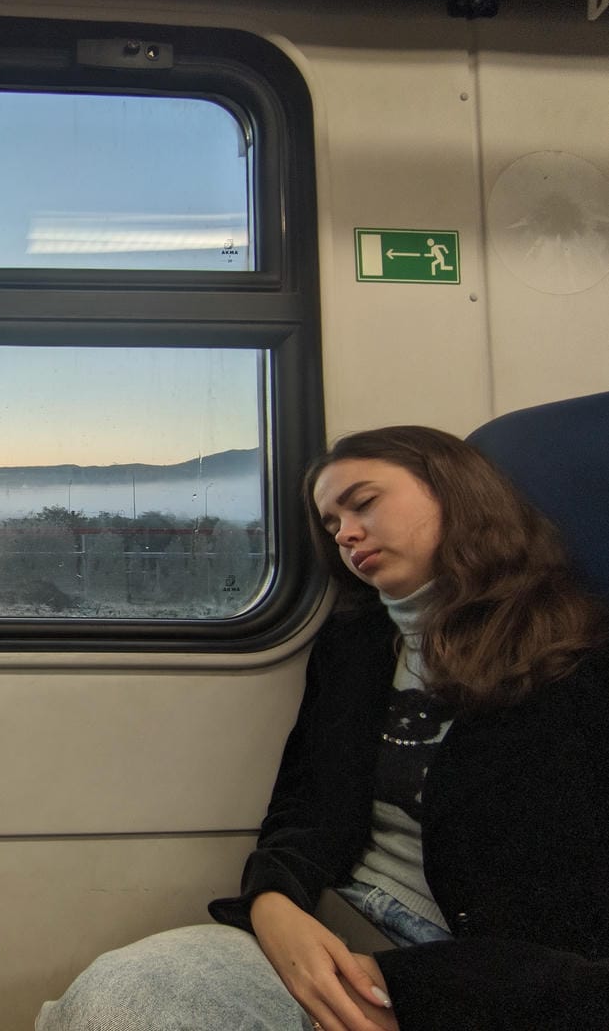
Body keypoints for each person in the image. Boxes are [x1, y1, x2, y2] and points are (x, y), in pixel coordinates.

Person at [37, 425, 609, 1031]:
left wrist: (421, 991)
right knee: (119, 992)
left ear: (456, 492)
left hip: (493, 979)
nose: (347, 534)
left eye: (363, 504)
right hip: (336, 923)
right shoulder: (356, 646)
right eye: (333, 525)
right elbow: (306, 811)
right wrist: (275, 906)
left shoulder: (583, 659)